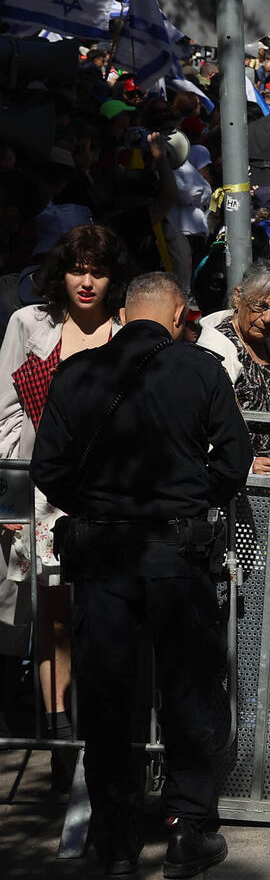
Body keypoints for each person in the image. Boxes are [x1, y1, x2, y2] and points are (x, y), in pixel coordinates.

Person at [31, 273, 250, 878]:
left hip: (103, 558)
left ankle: (116, 839)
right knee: (187, 692)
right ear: (178, 315)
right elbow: (233, 462)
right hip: (177, 556)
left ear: (125, 314)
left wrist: (97, 506)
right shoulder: (202, 370)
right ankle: (187, 830)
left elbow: (48, 466)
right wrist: (188, 501)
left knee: (106, 697)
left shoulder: (77, 373)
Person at [0, 224, 130, 747]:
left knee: (102, 612)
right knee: (50, 612)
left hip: (110, 495)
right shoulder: (28, 323)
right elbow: (4, 412)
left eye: (98, 272)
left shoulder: (126, 331)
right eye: (78, 270)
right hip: (42, 494)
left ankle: (95, 725)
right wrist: (13, 491)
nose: (87, 282)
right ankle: (59, 730)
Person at [195, 260, 270, 477]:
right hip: (231, 479)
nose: (267, 318)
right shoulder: (214, 351)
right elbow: (202, 424)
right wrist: (247, 464)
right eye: (260, 306)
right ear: (238, 296)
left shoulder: (268, 346)